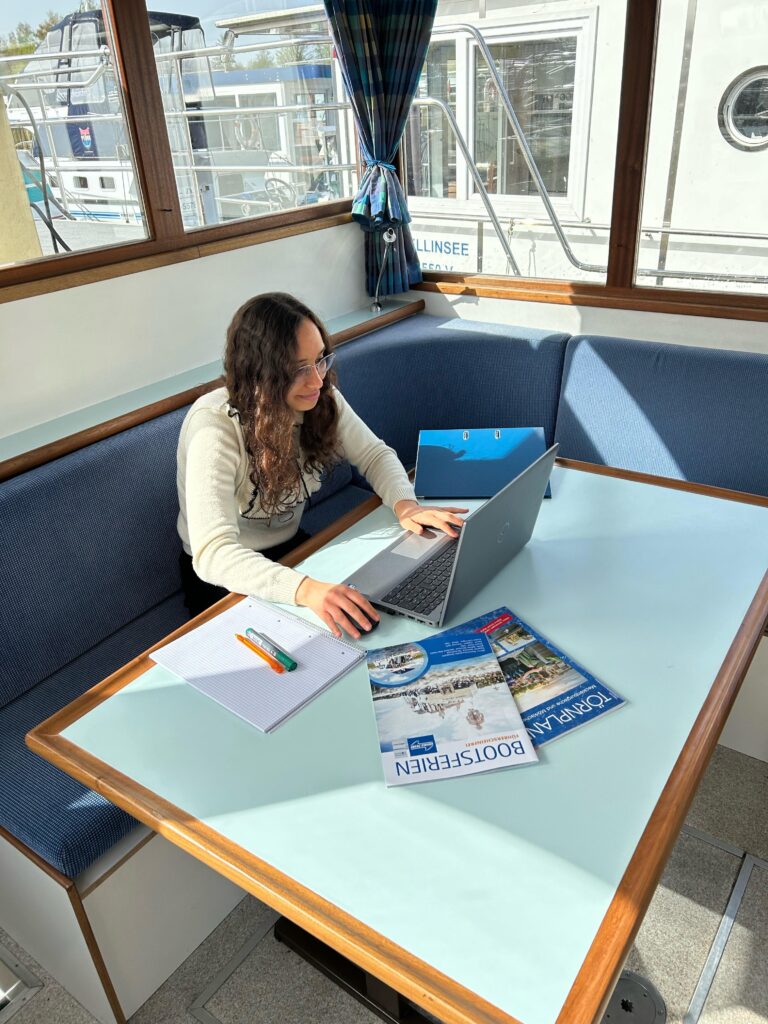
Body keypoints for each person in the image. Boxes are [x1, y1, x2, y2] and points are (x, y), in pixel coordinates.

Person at [177, 292, 466, 638]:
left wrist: (406, 506)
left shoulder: (319, 397)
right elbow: (214, 555)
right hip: (224, 579)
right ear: (260, 373)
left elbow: (374, 455)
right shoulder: (214, 427)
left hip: (294, 550)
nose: (317, 380)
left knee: (373, 622)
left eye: (320, 360)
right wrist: (307, 589)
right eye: (298, 369)